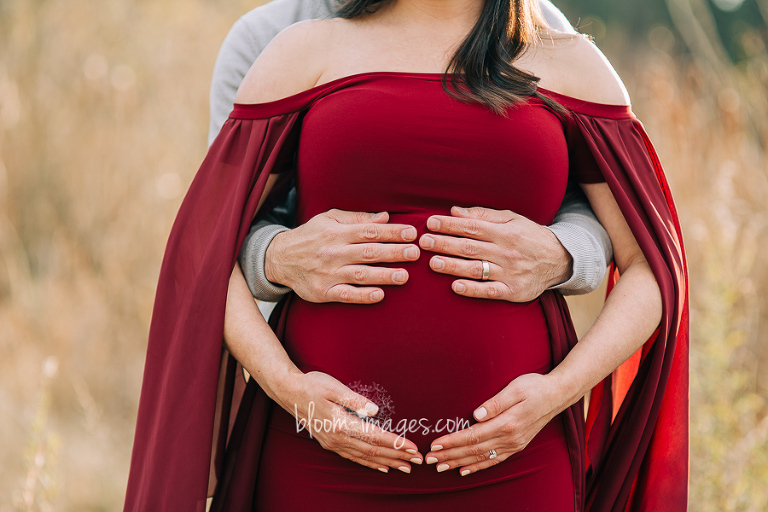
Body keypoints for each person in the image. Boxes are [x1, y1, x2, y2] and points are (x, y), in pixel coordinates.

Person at [124, 0, 689, 510]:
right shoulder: (301, 51)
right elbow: (204, 252)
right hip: (317, 458)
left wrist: (555, 395)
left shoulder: (569, 63)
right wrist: (291, 392)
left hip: (516, 461)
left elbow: (652, 268)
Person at [212, 0, 613, 314]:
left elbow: (580, 200)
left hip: (512, 380)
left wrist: (562, 256)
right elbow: (221, 228)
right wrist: (275, 258)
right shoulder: (262, 37)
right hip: (307, 361)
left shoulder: (537, 27)